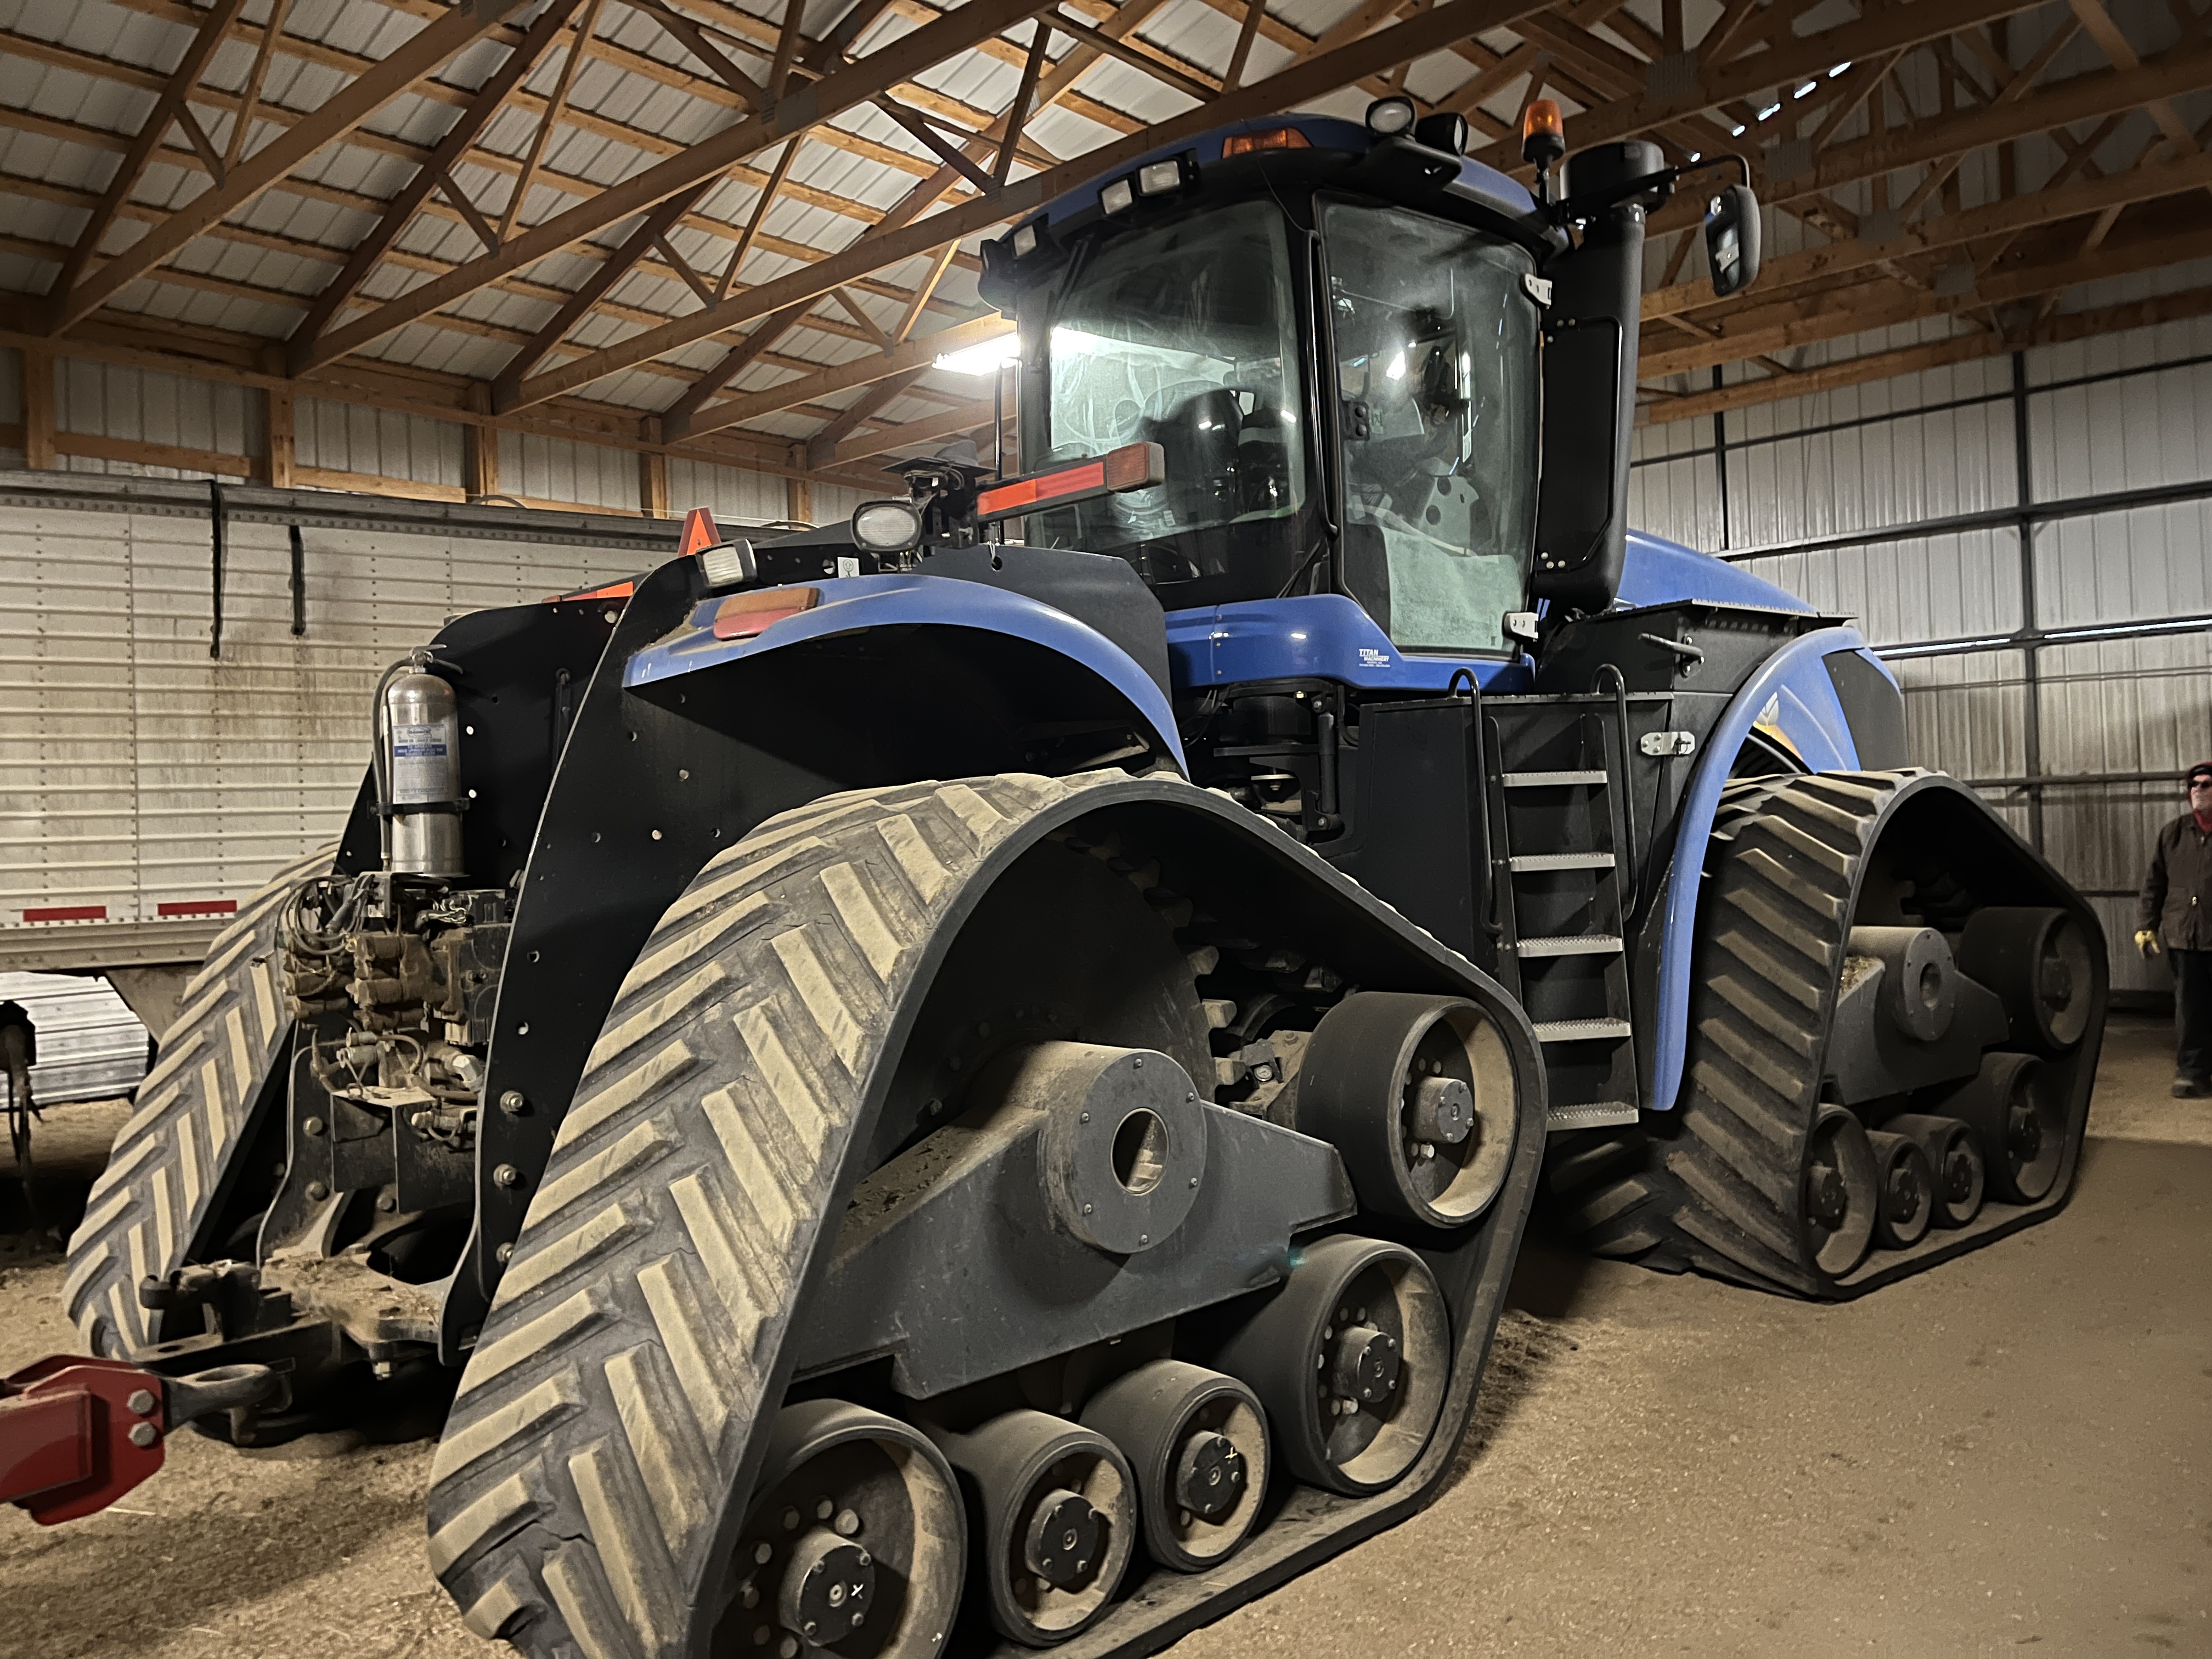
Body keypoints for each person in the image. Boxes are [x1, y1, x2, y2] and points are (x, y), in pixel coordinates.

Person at [2137, 761, 2212, 1097]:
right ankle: (2192, 1073)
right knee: (2190, 1008)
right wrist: (2146, 926)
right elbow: (2154, 883)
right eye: (2193, 785)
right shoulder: (2173, 833)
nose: (2198, 789)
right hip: (2185, 937)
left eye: (2206, 784)